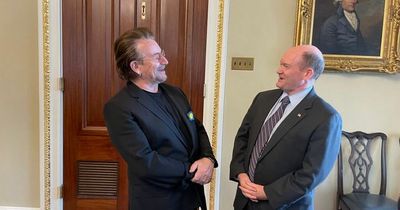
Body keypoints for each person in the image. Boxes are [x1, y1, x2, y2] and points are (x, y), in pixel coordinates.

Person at [104, 28, 217, 210]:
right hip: (158, 202)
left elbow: (196, 128)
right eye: (157, 57)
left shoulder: (176, 93)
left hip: (191, 198)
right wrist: (194, 171)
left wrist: (207, 158)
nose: (165, 61)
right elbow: (145, 162)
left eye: (162, 54)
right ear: (136, 67)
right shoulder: (119, 108)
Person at [230, 45, 342, 210]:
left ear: (307, 73)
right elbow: (243, 139)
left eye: (286, 66)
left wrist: (267, 193)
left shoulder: (326, 117)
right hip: (244, 201)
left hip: (284, 205)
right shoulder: (262, 99)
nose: (278, 70)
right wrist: (241, 174)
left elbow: (312, 174)